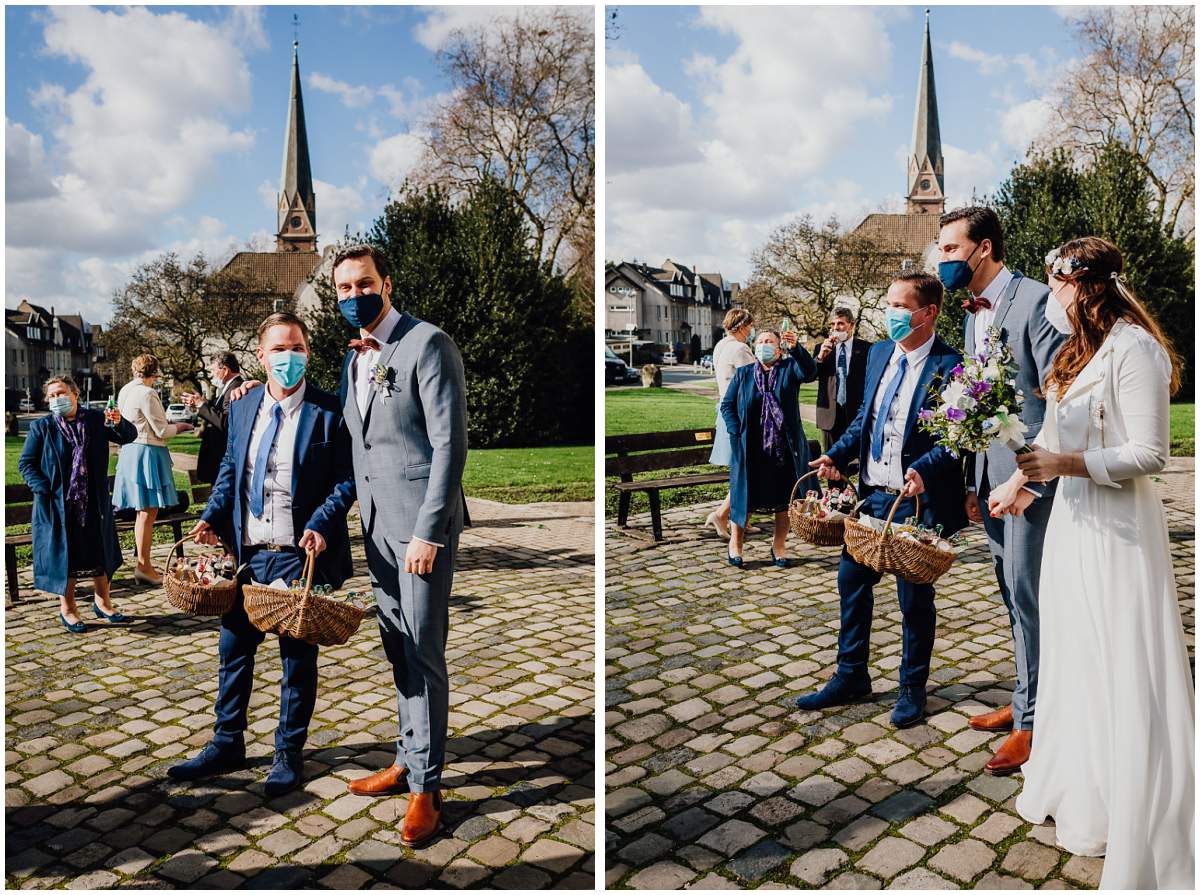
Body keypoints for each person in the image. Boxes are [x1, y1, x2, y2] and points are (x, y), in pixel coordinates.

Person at [988, 238, 1193, 889]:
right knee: (1075, 651)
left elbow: (1150, 453)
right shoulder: (1077, 351)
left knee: (1118, 654)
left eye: (1055, 281)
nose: (1048, 293)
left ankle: (1131, 800)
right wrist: (1018, 485)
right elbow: (1056, 432)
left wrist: (1065, 467)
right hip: (1073, 527)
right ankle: (1081, 785)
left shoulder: (1135, 349)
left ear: (1084, 283)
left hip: (1119, 530)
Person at [171, 312, 355, 797]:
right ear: (260, 354)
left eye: (296, 347)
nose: (287, 357)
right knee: (233, 653)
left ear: (308, 353)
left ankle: (288, 754)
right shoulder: (243, 405)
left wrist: (321, 522)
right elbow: (231, 468)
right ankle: (227, 742)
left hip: (297, 554)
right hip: (247, 552)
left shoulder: (330, 411)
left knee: (297, 660)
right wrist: (212, 514)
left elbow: (346, 480)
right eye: (278, 348)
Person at [334, 244, 468, 846]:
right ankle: (405, 758)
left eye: (363, 283)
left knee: (423, 653)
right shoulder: (353, 360)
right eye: (343, 288)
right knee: (396, 649)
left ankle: (428, 788)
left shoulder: (427, 344)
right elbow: (360, 445)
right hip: (377, 530)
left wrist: (428, 533)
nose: (353, 295)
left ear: (386, 283)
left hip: (418, 532)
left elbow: (449, 448)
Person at [796, 273, 968, 728]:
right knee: (851, 586)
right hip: (871, 501)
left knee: (914, 601)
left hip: (915, 507)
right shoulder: (877, 355)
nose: (890, 313)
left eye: (899, 305)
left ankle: (912, 688)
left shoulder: (952, 366)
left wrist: (925, 471)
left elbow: (957, 440)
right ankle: (851, 675)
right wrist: (835, 453)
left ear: (928, 313)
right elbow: (862, 423)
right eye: (888, 304)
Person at [937, 206, 1066, 774]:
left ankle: (1035, 723)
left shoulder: (1037, 300)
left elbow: (1057, 396)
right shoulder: (971, 315)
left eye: (948, 249)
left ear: (982, 249)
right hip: (990, 481)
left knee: (1029, 597)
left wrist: (1023, 478)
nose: (941, 260)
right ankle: (1022, 704)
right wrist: (973, 480)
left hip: (1031, 481)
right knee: (1011, 599)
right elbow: (976, 404)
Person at [18, 376, 137, 632]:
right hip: (59, 505)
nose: (56, 399)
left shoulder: (95, 419)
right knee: (66, 557)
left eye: (60, 393)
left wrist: (118, 421)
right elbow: (26, 463)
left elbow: (127, 436)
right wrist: (44, 488)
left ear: (75, 394)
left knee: (99, 551)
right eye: (51, 395)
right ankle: (69, 608)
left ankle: (103, 602)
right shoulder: (43, 427)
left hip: (93, 502)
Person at [720, 327, 816, 568]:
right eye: (760, 340)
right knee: (746, 498)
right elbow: (727, 406)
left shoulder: (789, 369)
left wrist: (796, 349)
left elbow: (810, 371)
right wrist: (736, 431)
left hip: (784, 451)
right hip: (751, 450)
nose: (764, 344)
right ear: (754, 345)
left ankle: (779, 545)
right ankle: (736, 544)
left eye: (769, 341)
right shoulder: (744, 375)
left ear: (778, 347)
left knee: (784, 500)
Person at [112, 354, 193, 584]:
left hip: (129, 451)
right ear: (155, 373)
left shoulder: (126, 389)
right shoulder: (147, 393)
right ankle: (144, 566)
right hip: (146, 452)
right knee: (148, 512)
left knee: (144, 512)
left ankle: (143, 563)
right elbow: (161, 430)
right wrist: (182, 426)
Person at [705, 308, 757, 537]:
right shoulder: (739, 349)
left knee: (744, 466)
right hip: (741, 413)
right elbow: (756, 380)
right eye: (751, 325)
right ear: (743, 326)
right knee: (747, 469)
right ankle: (722, 514)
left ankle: (742, 517)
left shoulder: (720, 346)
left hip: (725, 411)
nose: (752, 330)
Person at [813, 307, 872, 454]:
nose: (835, 328)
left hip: (856, 413)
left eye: (840, 324)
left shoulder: (867, 349)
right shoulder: (821, 348)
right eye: (832, 325)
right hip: (829, 414)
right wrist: (820, 357)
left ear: (851, 325)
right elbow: (810, 376)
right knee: (831, 462)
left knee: (857, 462)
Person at [181, 351, 244, 485]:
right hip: (216, 460)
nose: (211, 375)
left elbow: (227, 422)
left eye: (214, 370)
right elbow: (217, 413)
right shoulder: (227, 388)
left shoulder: (236, 389)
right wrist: (200, 404)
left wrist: (201, 405)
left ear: (225, 370)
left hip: (223, 459)